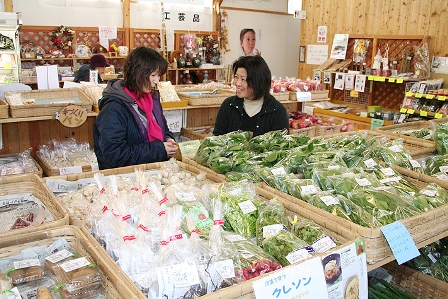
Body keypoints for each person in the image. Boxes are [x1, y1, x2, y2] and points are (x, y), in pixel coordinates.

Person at [93, 46, 178, 170]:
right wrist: (159, 149)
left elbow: (163, 128)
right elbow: (114, 155)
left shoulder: (152, 99)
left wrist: (168, 139)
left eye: (159, 75)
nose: (157, 81)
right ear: (138, 73)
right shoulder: (113, 109)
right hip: (125, 179)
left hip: (153, 171)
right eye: (153, 75)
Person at [213, 55, 289, 137]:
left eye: (243, 79)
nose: (237, 83)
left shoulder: (277, 111)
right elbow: (217, 138)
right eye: (236, 77)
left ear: (258, 81)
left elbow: (281, 146)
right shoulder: (228, 105)